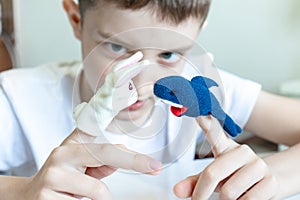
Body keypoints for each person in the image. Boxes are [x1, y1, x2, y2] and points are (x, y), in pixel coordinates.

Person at [0, 0, 300, 199]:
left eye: (169, 55)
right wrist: (23, 191)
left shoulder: (201, 92)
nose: (141, 82)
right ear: (76, 19)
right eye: (117, 47)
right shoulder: (18, 98)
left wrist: (272, 175)